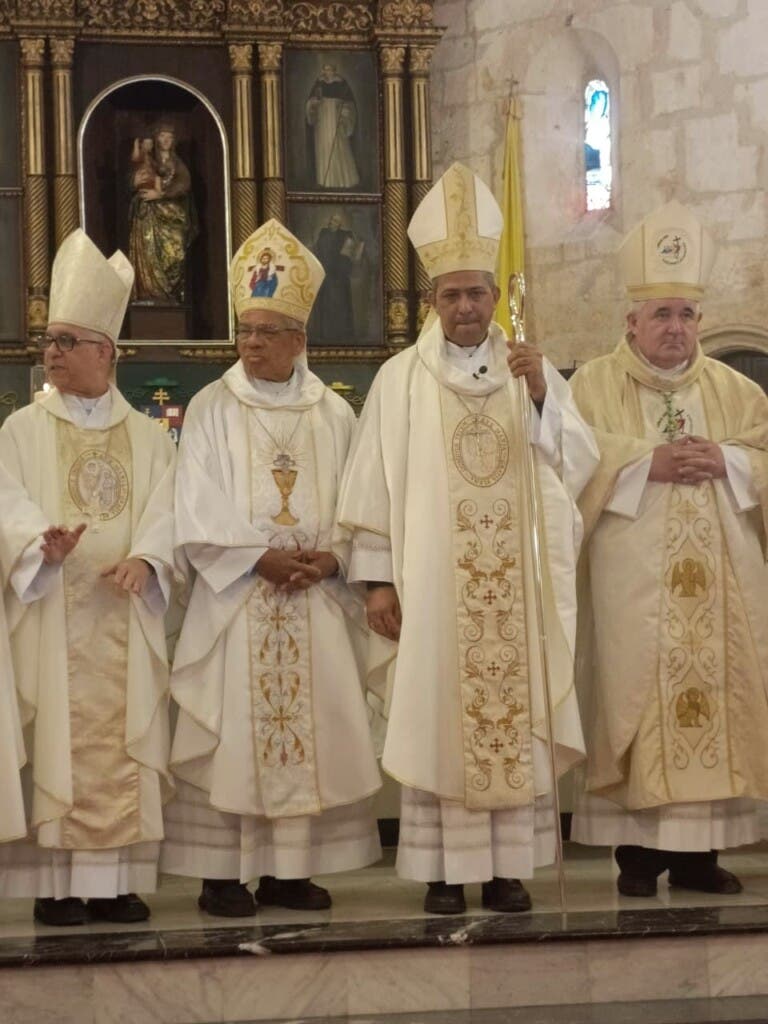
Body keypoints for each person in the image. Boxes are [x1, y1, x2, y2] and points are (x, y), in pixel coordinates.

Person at [336, 162, 599, 914]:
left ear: (494, 296)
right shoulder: (398, 380)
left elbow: (576, 465)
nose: (463, 306)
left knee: (510, 717)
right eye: (450, 294)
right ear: (432, 300)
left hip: (511, 592)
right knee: (438, 713)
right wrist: (380, 580)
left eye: (475, 292)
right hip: (435, 592)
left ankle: (510, 869)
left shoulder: (531, 371)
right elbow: (373, 490)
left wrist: (545, 395)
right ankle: (446, 874)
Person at [164, 217, 382, 917]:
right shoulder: (210, 408)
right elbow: (192, 500)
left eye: (266, 332)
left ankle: (290, 872)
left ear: (300, 341)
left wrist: (336, 555)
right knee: (230, 732)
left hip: (313, 598)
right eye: (245, 330)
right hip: (240, 602)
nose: (250, 343)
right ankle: (222, 875)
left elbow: (359, 500)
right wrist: (257, 558)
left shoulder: (334, 415)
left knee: (307, 732)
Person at [569, 200, 768, 897]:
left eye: (687, 315)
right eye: (661, 315)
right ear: (632, 321)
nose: (676, 329)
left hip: (722, 589)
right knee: (635, 699)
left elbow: (764, 455)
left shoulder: (738, 392)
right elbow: (569, 463)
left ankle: (698, 856)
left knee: (714, 697)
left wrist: (731, 462)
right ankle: (635, 852)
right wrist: (643, 463)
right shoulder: (592, 385)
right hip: (631, 589)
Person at [0, 228, 179, 926]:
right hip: (54, 615)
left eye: (66, 341)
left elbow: (168, 511)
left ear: (105, 352)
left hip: (121, 616)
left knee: (123, 737)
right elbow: (6, 503)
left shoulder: (148, 436)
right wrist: (34, 546)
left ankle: (115, 883)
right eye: (48, 341)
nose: (51, 353)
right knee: (60, 740)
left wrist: (147, 560)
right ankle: (57, 885)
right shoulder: (19, 431)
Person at [128, 122, 198, 303]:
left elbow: (185, 184)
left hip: (172, 214)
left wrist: (162, 194)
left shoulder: (177, 163)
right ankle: (149, 293)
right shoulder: (149, 159)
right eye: (162, 136)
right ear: (155, 139)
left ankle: (171, 293)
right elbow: (134, 178)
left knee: (175, 254)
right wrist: (135, 183)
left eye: (170, 137)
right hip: (148, 213)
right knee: (148, 253)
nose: (166, 140)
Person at [305, 63, 360, 189]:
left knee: (338, 147)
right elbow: (311, 103)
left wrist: (344, 115)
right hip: (322, 122)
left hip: (335, 120)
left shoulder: (341, 83)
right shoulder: (319, 83)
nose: (326, 72)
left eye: (329, 70)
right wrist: (313, 103)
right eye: (324, 70)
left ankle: (340, 182)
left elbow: (349, 104)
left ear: (334, 71)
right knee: (322, 148)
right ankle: (324, 181)